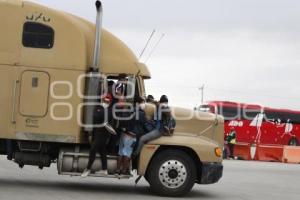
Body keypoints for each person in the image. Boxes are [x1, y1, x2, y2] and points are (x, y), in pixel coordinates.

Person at [115, 97, 155, 175]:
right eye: (143, 102)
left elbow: (122, 121)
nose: (144, 105)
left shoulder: (128, 110)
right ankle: (124, 171)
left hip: (124, 134)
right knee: (127, 153)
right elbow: (146, 125)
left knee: (120, 152)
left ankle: (117, 170)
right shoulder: (141, 113)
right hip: (131, 136)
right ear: (138, 103)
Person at [81, 95, 115, 178]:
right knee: (102, 151)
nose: (105, 103)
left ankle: (88, 169)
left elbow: (105, 118)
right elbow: (96, 116)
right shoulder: (98, 108)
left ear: (110, 102)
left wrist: (102, 115)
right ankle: (104, 169)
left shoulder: (109, 110)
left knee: (93, 149)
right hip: (96, 132)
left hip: (104, 134)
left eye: (107, 101)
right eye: (104, 101)